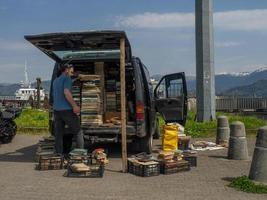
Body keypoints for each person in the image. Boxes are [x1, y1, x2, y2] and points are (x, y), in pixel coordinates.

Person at [53, 64, 84, 155]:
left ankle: (59, 154)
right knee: (78, 131)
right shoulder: (67, 79)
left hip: (57, 111)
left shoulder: (56, 81)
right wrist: (75, 106)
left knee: (59, 134)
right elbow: (66, 92)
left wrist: (75, 78)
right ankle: (80, 155)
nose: (72, 72)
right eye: (72, 70)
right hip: (67, 110)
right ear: (67, 70)